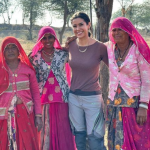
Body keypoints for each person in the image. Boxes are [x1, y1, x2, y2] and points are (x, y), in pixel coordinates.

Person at [106, 17, 150, 150]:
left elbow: (147, 80)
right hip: (113, 103)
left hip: (133, 105)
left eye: (120, 29)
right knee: (115, 139)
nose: (116, 33)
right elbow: (90, 44)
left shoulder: (137, 50)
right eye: (114, 30)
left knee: (134, 140)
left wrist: (143, 106)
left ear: (128, 31)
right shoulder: (109, 48)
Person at [29, 26, 75, 150]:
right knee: (46, 128)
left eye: (50, 37)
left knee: (63, 127)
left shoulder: (63, 54)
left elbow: (79, 54)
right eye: (44, 38)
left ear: (55, 38)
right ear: (40, 40)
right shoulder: (35, 57)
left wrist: (72, 42)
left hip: (62, 98)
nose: (47, 40)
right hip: (43, 99)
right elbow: (31, 78)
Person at [67, 12, 108, 150]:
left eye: (81, 25)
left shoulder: (100, 47)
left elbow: (116, 69)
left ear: (88, 25)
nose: (77, 28)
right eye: (74, 26)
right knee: (79, 136)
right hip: (73, 97)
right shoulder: (70, 45)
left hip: (92, 98)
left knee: (95, 136)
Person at [0, 36, 42, 150]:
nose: (10, 50)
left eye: (13, 47)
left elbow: (36, 94)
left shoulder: (28, 70)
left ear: (19, 50)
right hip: (4, 117)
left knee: (26, 144)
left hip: (26, 115)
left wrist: (38, 116)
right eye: (6, 48)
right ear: (2, 52)